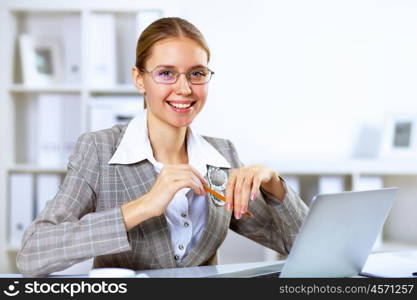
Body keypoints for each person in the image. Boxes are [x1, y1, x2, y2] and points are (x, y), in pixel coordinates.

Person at [16, 17, 308, 277]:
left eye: (196, 73)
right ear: (139, 78)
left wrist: (275, 186)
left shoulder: (222, 156)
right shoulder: (99, 149)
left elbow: (301, 247)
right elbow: (32, 255)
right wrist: (142, 207)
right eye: (166, 73)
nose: (184, 89)